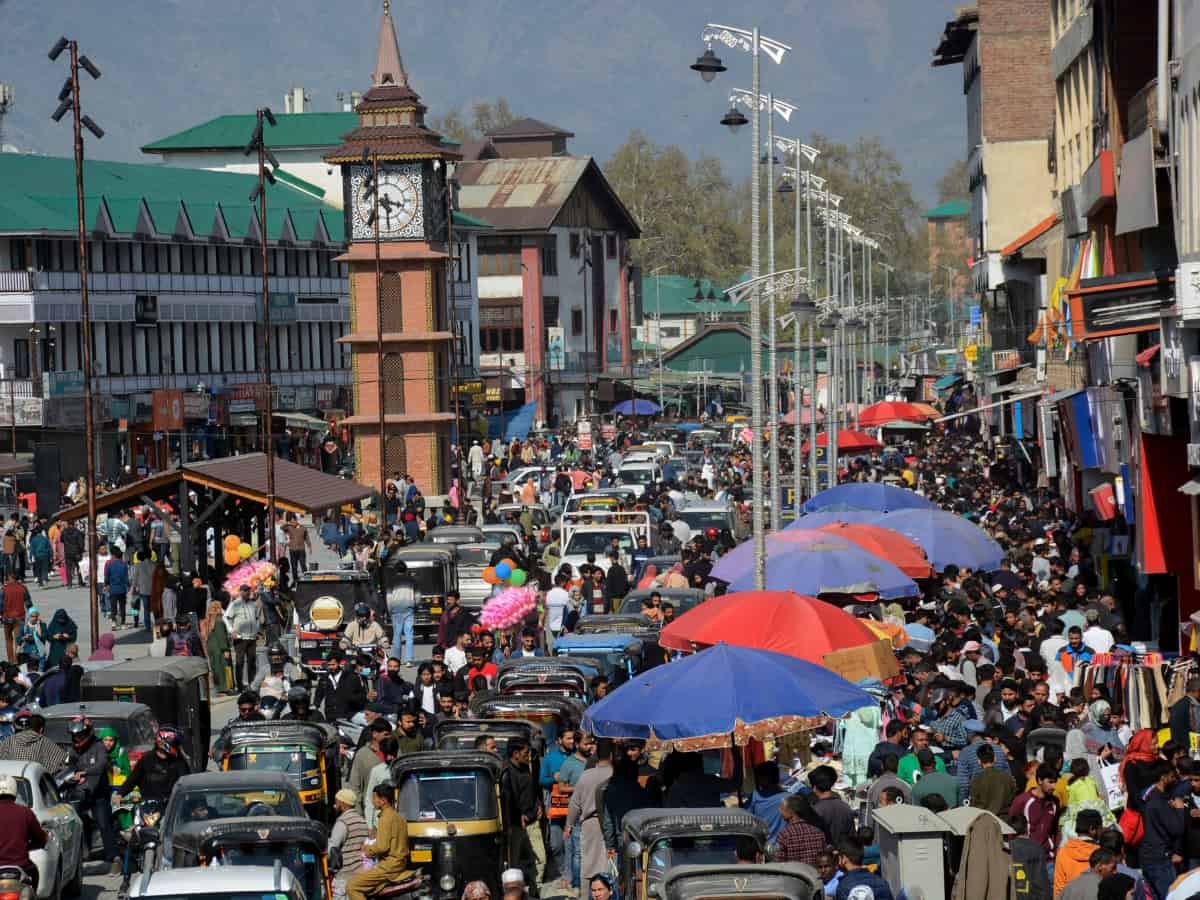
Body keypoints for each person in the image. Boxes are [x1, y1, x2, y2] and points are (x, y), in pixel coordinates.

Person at [65, 716, 119, 872]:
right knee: (78, 823)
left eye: (80, 735)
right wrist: (71, 776)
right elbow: (69, 767)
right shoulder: (74, 749)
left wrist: (85, 772)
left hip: (99, 793)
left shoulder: (99, 746)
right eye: (74, 735)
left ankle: (114, 857)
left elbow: (101, 765)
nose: (77, 738)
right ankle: (80, 855)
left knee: (104, 823)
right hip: (81, 793)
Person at [345, 784, 414, 900]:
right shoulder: (399, 817)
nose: (373, 801)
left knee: (352, 886)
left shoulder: (385, 818)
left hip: (388, 867)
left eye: (374, 798)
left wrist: (366, 850)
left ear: (383, 801)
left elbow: (382, 847)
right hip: (399, 864)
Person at [564, 738, 613, 893]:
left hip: (590, 826)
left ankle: (588, 895)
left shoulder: (586, 775)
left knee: (589, 869)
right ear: (612, 755)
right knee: (610, 867)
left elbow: (575, 803)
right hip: (612, 823)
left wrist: (569, 825)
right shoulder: (615, 774)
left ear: (597, 754)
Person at [1140, 760, 1185, 900]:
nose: (1175, 779)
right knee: (1170, 896)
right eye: (1172, 776)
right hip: (1159, 859)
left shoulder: (1149, 794)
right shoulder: (1158, 802)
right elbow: (1177, 829)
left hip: (1148, 856)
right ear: (1163, 777)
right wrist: (1180, 809)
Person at [117, 728, 191, 804]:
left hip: (171, 807)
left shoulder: (179, 762)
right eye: (175, 744)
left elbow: (187, 784)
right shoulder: (147, 759)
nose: (177, 747)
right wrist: (120, 794)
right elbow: (133, 779)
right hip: (147, 807)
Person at [0, 774, 46, 891]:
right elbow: (41, 838)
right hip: (22, 867)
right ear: (15, 791)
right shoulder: (25, 813)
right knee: (35, 874)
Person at [329, 787, 369, 900]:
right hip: (361, 874)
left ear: (342, 803)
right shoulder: (362, 820)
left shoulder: (343, 822)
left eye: (336, 801)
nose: (335, 804)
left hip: (345, 876)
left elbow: (332, 848)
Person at [1054, 809, 1105, 897]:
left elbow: (1058, 890)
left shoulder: (1063, 852)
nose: (1102, 831)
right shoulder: (1102, 854)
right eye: (1101, 828)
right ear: (1092, 829)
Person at [0, 713, 67, 772]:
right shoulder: (44, 741)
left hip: (10, 780)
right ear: (41, 729)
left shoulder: (10, 740)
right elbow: (60, 761)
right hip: (35, 781)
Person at [224, 583, 260, 690]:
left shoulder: (253, 604)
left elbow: (257, 618)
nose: (247, 593)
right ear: (240, 592)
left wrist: (257, 630)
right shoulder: (235, 604)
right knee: (239, 662)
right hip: (240, 638)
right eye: (244, 591)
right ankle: (240, 686)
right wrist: (232, 631)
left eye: (248, 591)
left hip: (252, 638)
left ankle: (252, 684)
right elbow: (226, 618)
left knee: (252, 661)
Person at [810, 765, 856, 846]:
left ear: (814, 787)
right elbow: (852, 837)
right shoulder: (845, 807)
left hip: (824, 856)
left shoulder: (815, 811)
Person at [775, 794, 827, 865]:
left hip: (794, 875)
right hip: (815, 874)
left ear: (790, 812)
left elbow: (780, 863)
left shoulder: (784, 835)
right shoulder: (818, 832)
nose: (780, 812)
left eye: (782, 809)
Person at [968, 743, 1017, 816]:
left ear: (979, 761)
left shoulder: (976, 780)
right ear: (994, 758)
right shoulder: (1007, 777)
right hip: (1006, 820)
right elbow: (1014, 797)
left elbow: (974, 804)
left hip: (985, 820)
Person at [200, 600, 233, 693]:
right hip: (219, 648)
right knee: (224, 668)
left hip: (211, 648)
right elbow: (221, 637)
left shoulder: (207, 621)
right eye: (220, 607)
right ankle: (226, 688)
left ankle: (218, 687)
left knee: (215, 668)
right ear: (218, 609)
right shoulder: (219, 621)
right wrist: (225, 649)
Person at [1, 574, 28, 663]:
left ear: (9, 578)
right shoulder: (23, 588)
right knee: (18, 640)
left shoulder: (4, 589)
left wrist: (1, 615)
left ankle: (11, 660)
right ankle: (17, 660)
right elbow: (29, 603)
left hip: (7, 618)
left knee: (8, 640)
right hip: (19, 617)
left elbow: (0, 605)